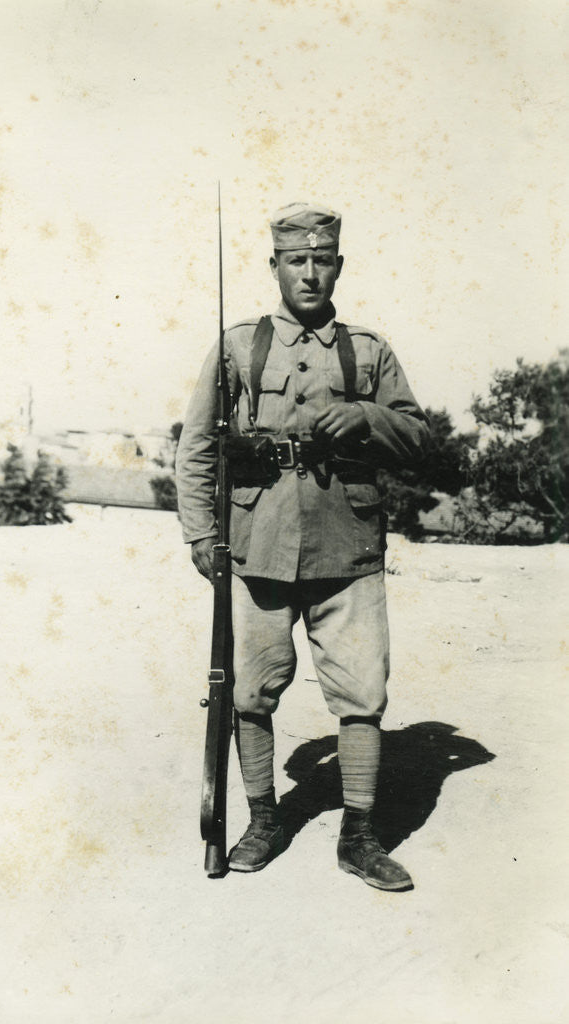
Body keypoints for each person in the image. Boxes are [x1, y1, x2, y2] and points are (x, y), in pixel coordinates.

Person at [176, 202, 430, 890]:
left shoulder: (368, 350)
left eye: (322, 260)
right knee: (251, 690)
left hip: (347, 549)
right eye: (296, 261)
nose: (309, 274)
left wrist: (365, 418)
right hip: (254, 545)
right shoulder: (238, 345)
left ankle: (360, 835)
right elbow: (197, 445)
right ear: (275, 267)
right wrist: (202, 532)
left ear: (337, 265)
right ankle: (263, 819)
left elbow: (417, 438)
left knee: (360, 691)